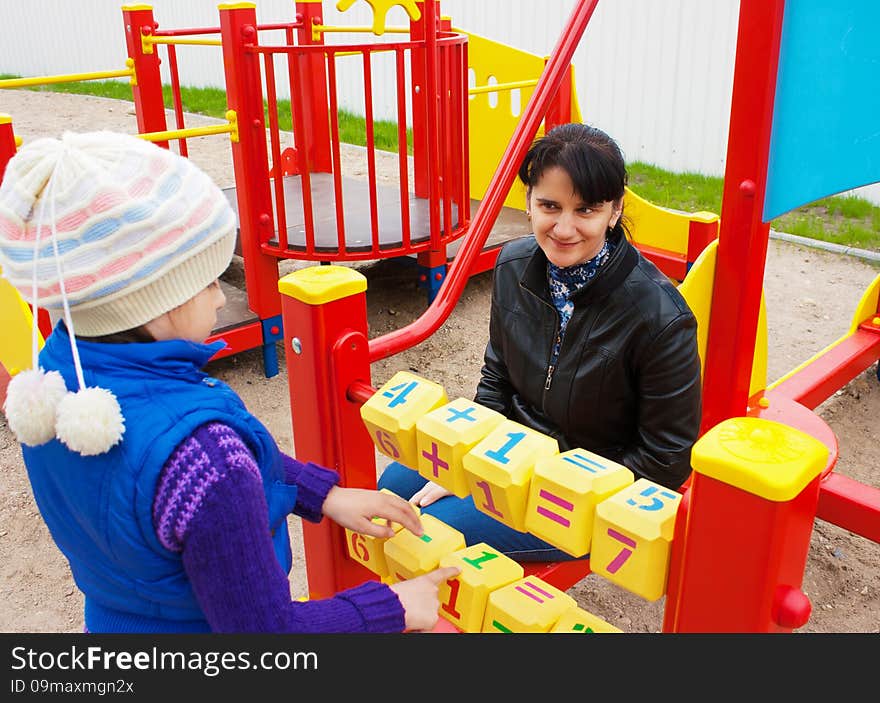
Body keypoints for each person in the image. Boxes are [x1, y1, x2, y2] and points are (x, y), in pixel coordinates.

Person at [0, 130, 457, 633]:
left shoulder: (54, 386)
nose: (221, 300)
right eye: (209, 281)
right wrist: (393, 605)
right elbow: (265, 634)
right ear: (158, 298)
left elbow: (217, 471)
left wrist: (322, 495)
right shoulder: (207, 457)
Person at [379, 122, 702, 561]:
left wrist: (535, 486)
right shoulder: (514, 266)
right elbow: (496, 379)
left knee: (436, 533)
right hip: (512, 450)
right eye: (550, 205)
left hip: (585, 487)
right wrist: (469, 460)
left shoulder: (660, 318)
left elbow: (665, 461)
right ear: (529, 201)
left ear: (614, 210)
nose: (564, 228)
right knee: (393, 486)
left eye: (586, 210)